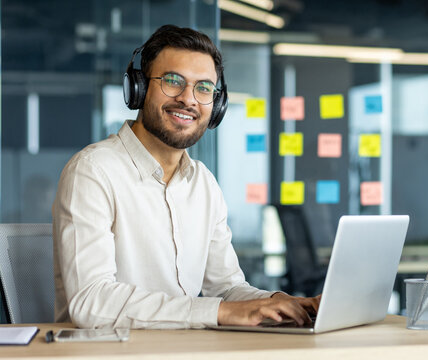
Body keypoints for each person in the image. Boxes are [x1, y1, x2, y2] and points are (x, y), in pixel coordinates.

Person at [53, 24, 320, 329]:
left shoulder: (203, 184)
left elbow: (227, 289)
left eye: (204, 88)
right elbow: (91, 302)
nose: (188, 99)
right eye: (172, 81)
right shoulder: (93, 171)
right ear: (139, 88)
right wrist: (217, 312)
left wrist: (279, 303)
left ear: (216, 105)